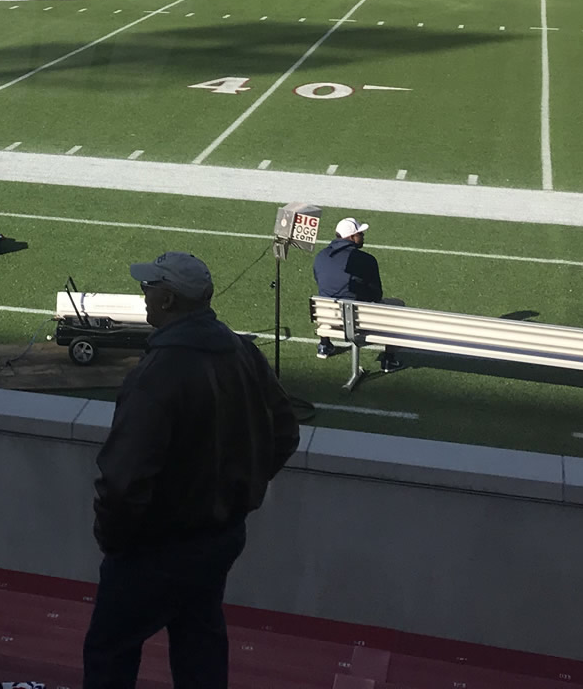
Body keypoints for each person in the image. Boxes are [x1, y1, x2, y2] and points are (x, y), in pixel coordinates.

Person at [84, 251, 299, 689]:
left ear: (167, 300)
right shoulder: (241, 351)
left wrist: (115, 542)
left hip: (155, 549)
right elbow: (284, 433)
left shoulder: (158, 374)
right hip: (218, 538)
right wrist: (241, 492)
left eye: (149, 288)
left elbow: (123, 480)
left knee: (110, 653)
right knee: (200, 645)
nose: (143, 295)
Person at [313, 218, 400, 368]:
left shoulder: (321, 256)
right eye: (360, 233)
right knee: (397, 305)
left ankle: (324, 344)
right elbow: (376, 295)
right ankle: (389, 359)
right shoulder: (366, 260)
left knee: (326, 297)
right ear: (352, 237)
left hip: (329, 316)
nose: (363, 236)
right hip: (359, 320)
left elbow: (319, 281)